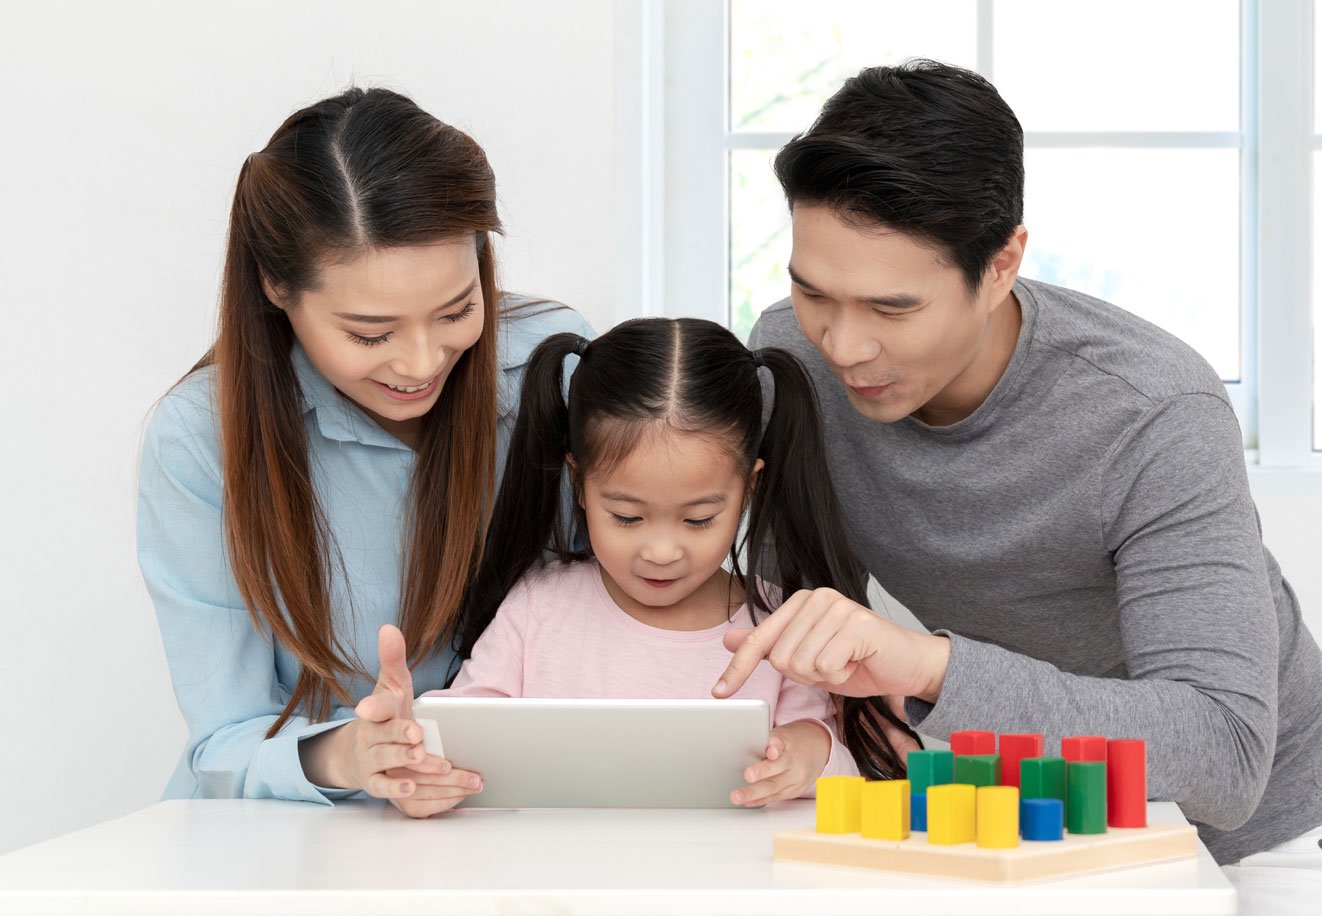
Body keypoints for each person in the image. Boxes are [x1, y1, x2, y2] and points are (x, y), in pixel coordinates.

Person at [719, 60, 1322, 913]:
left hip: (1253, 831)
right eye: (813, 291)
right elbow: (785, 612)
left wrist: (926, 667)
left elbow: (1225, 751)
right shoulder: (792, 362)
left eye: (893, 308)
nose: (843, 345)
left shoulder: (1153, 409)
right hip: (1012, 801)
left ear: (1000, 265)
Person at [136, 87, 590, 820]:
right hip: (289, 838)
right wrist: (347, 753)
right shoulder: (200, 439)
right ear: (275, 285)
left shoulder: (551, 365)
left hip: (510, 820)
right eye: (371, 334)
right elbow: (222, 742)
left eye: (456, 311)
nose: (420, 363)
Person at [432, 317, 911, 811]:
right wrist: (416, 755)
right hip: (556, 878)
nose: (662, 551)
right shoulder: (538, 606)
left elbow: (834, 763)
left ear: (748, 489)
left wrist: (809, 753)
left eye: (699, 520)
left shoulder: (777, 623)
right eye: (627, 516)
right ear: (578, 484)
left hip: (724, 881)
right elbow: (464, 728)